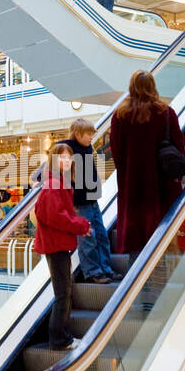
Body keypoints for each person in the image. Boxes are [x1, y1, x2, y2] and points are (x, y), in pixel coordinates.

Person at [110, 71, 185, 258]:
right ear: (153, 86)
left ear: (131, 87)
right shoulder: (166, 113)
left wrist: (127, 171)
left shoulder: (120, 115)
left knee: (135, 234)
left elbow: (116, 152)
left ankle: (136, 278)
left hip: (132, 184)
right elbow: (179, 146)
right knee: (162, 229)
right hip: (162, 183)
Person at [34, 143, 91, 351]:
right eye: (62, 158)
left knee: (64, 291)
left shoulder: (59, 183)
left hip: (57, 243)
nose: (66, 161)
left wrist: (79, 227)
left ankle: (63, 336)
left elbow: (59, 215)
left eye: (69, 158)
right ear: (53, 160)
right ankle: (59, 339)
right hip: (55, 245)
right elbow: (56, 217)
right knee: (62, 293)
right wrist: (81, 225)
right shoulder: (54, 185)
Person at [64, 116, 117, 284]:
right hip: (79, 202)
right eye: (88, 134)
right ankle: (92, 272)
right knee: (87, 238)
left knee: (101, 235)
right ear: (78, 134)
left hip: (92, 199)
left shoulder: (87, 147)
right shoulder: (66, 149)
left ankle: (105, 269)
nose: (91, 137)